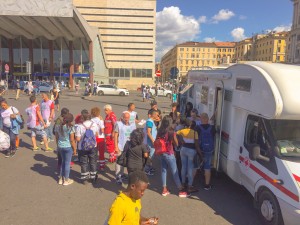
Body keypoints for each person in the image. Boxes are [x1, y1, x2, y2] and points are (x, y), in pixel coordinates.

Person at [156, 115, 189, 197]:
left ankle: (164, 189)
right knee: (175, 171)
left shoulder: (159, 131)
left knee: (164, 170)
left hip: (161, 153)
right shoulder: (171, 132)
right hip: (169, 153)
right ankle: (180, 189)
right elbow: (176, 143)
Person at [176, 119, 202, 193]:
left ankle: (183, 184)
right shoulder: (194, 133)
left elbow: (176, 134)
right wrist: (201, 155)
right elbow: (197, 145)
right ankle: (190, 186)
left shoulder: (182, 131)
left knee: (183, 167)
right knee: (190, 169)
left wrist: (181, 141)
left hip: (183, 149)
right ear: (191, 125)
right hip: (191, 151)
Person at [75, 109, 99, 184]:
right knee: (93, 161)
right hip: (93, 146)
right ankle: (93, 177)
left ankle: (84, 178)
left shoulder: (80, 126)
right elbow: (96, 135)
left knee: (84, 162)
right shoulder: (94, 125)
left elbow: (78, 139)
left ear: (83, 118)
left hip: (82, 147)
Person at [55, 113, 76, 186]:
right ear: (71, 120)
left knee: (63, 163)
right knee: (67, 163)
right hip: (68, 147)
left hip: (60, 146)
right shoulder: (71, 127)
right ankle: (66, 180)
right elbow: (72, 140)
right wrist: (75, 149)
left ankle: (61, 178)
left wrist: (57, 145)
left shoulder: (58, 126)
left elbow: (57, 137)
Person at [114, 111, 136, 185]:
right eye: (125, 117)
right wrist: (116, 147)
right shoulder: (119, 124)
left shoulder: (132, 124)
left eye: (128, 117)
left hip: (129, 147)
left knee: (125, 161)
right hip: (121, 146)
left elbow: (135, 135)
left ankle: (122, 174)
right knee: (119, 162)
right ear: (122, 117)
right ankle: (118, 176)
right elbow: (115, 135)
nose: (126, 119)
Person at [196, 113, 215, 190]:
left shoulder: (197, 128)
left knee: (195, 166)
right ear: (207, 119)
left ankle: (190, 183)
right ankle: (207, 185)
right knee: (207, 167)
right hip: (209, 150)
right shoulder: (212, 128)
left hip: (200, 149)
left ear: (201, 119)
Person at [144, 109, 159, 175]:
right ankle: (147, 169)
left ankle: (149, 167)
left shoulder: (151, 121)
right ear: (152, 115)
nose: (157, 116)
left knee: (151, 156)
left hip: (151, 142)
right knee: (150, 156)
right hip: (150, 142)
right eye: (156, 114)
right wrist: (153, 140)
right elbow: (148, 132)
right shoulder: (150, 122)